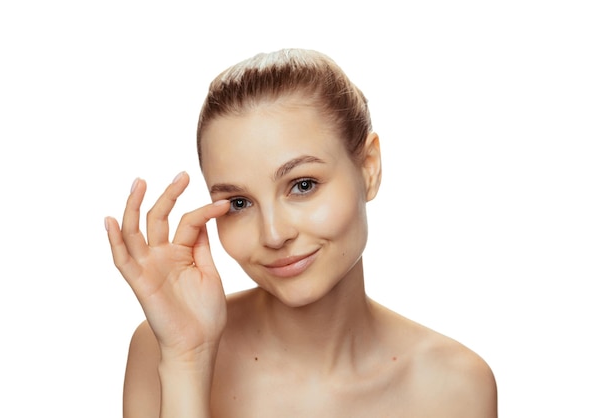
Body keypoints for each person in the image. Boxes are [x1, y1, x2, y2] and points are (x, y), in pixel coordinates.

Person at [105, 48, 497, 418]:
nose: (274, 235)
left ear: (369, 168)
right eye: (239, 203)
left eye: (303, 185)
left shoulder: (455, 385)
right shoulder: (166, 347)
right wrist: (187, 361)